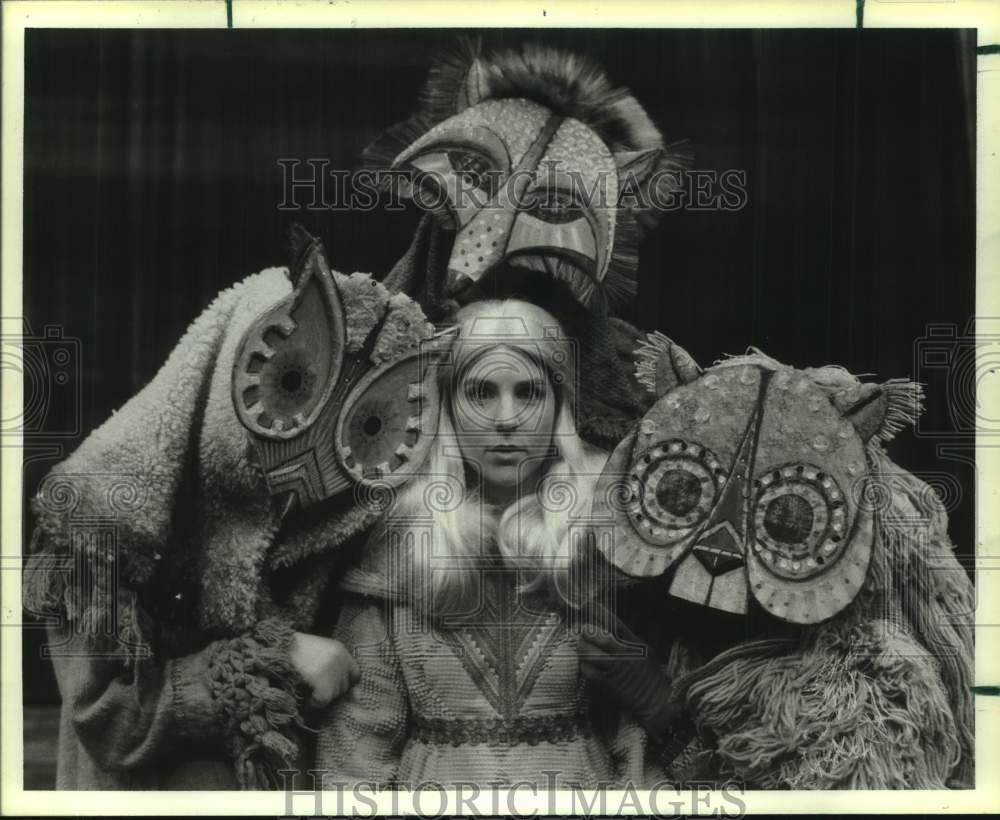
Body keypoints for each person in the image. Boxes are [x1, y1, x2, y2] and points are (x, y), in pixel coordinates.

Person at [313, 298, 673, 789]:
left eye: (528, 392)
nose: (507, 419)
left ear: (559, 406)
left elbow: (643, 753)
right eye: (481, 392)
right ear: (446, 406)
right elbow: (356, 755)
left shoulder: (613, 540)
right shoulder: (394, 548)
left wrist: (658, 700)